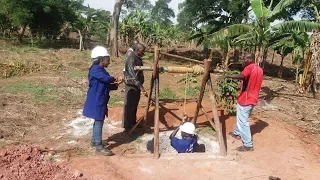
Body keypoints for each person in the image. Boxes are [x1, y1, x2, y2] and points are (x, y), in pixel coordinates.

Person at [217, 52, 263, 152]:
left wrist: (226, 76)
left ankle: (248, 145)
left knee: (243, 121)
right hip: (253, 98)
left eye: (245, 58)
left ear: (250, 59)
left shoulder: (249, 68)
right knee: (241, 117)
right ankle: (237, 133)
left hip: (246, 99)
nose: (243, 60)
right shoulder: (259, 69)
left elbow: (242, 76)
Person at [83, 46, 123, 156]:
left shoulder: (102, 71)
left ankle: (94, 141)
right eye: (107, 59)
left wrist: (116, 84)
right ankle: (99, 147)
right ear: (102, 59)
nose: (109, 62)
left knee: (98, 120)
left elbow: (106, 84)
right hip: (96, 99)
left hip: (100, 98)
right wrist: (114, 78)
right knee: (99, 121)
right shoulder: (95, 69)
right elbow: (106, 79)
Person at [122, 43, 147, 131]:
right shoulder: (131, 58)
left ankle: (133, 122)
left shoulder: (137, 58)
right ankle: (127, 126)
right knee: (129, 106)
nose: (144, 53)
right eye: (143, 51)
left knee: (134, 105)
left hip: (136, 85)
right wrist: (141, 87)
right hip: (131, 85)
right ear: (138, 50)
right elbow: (132, 76)